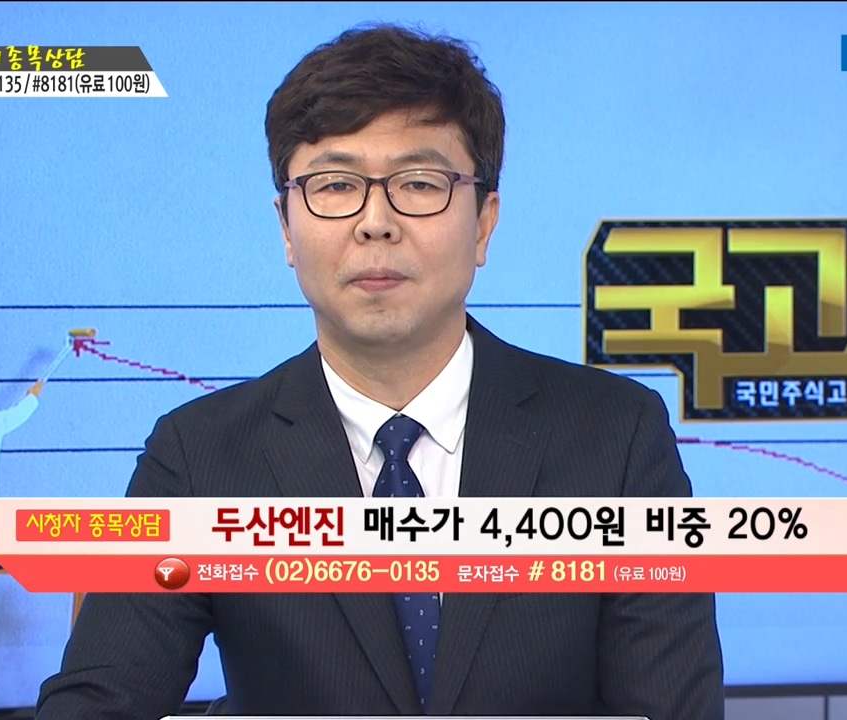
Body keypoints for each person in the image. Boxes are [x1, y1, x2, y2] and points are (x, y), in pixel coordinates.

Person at [35, 22, 724, 719]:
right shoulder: (199, 455)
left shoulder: (615, 436)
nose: (375, 221)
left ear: (484, 223)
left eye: (419, 183)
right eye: (335, 185)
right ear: (286, 227)